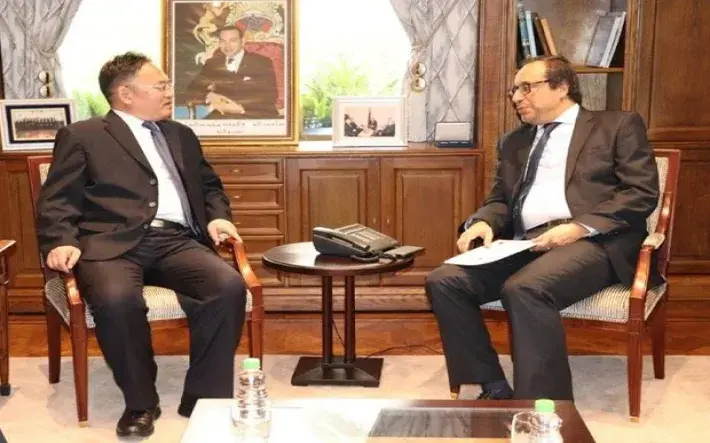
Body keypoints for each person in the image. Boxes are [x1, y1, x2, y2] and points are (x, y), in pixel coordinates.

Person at [35, 52, 246, 438]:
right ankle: (141, 402)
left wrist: (217, 216)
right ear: (126, 94)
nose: (170, 91)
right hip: (109, 244)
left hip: (175, 240)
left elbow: (209, 186)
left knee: (228, 286)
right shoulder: (83, 135)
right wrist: (60, 241)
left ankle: (204, 396)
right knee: (117, 301)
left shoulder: (180, 134)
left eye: (168, 84)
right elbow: (57, 200)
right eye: (160, 85)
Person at [425, 55, 660, 402]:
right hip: (528, 243)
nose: (516, 97)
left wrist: (580, 227)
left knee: (525, 288)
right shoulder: (514, 142)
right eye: (514, 90)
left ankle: (543, 406)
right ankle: (493, 386)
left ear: (561, 87)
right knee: (444, 281)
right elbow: (500, 199)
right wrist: (483, 222)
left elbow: (641, 192)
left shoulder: (616, 126)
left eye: (526, 88)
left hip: (594, 243)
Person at [186, 25, 279, 119]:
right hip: (221, 115)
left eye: (233, 40)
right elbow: (192, 89)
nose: (227, 46)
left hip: (254, 114)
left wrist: (239, 107)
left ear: (242, 41)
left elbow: (270, 95)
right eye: (223, 41)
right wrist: (209, 96)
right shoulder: (213, 63)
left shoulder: (261, 62)